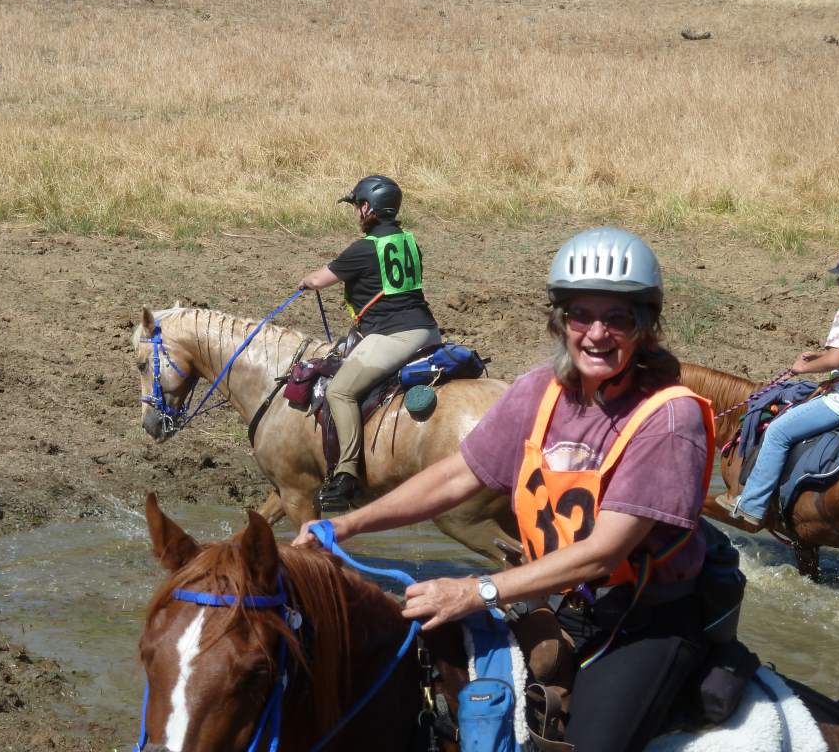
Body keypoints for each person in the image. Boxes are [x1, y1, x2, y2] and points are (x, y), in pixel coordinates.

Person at [295, 227, 717, 752]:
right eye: (580, 315)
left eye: (618, 318)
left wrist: (475, 590)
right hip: (551, 600)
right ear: (560, 321)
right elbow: (458, 475)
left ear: (646, 328)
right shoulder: (540, 390)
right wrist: (347, 524)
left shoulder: (669, 418)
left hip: (640, 622)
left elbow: (603, 552)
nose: (596, 334)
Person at [298, 175, 441, 510]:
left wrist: (306, 281)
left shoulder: (364, 249)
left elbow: (320, 279)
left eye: (357, 207)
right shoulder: (409, 241)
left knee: (339, 391)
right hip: (428, 331)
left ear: (367, 208)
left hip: (395, 336)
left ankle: (347, 473)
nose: (356, 214)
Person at [717, 248, 839, 529]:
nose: (838, 281)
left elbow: (835, 359)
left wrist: (803, 368)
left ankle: (751, 505)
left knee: (778, 432)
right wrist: (822, 356)